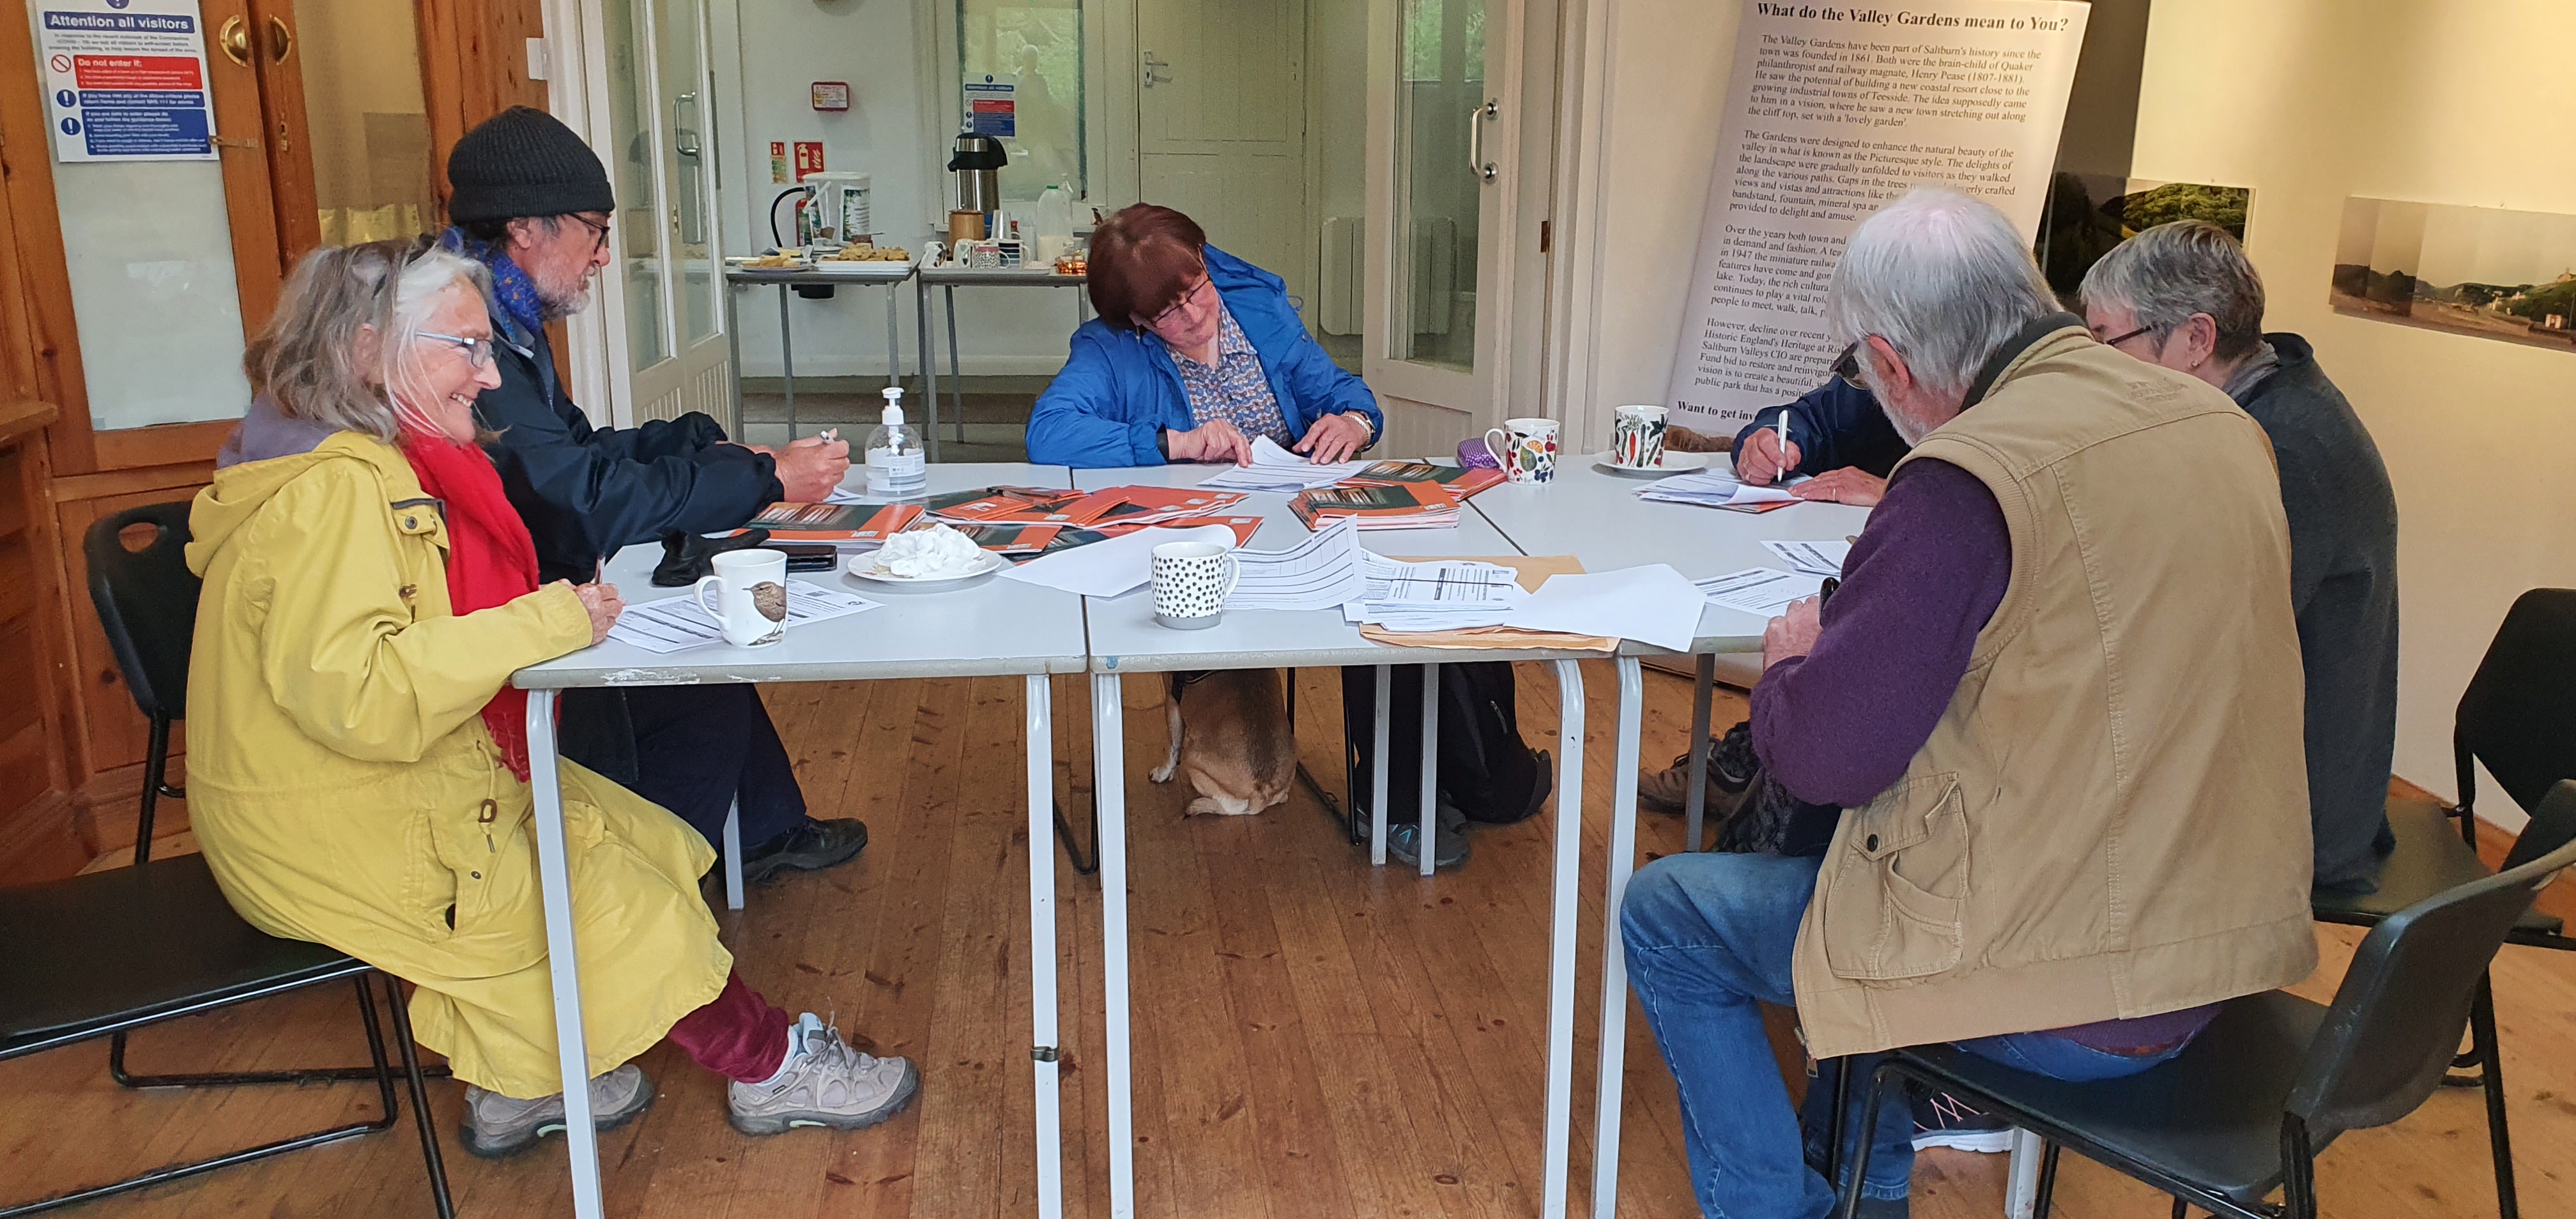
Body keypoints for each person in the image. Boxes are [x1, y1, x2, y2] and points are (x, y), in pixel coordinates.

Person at [1618, 188, 2317, 1219]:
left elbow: (1822, 755)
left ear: (1891, 367)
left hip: (2062, 986)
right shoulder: (2223, 426)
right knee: (1868, 870)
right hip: (2220, 951)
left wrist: (1789, 664)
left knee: (1668, 912)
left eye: (1860, 370)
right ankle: (1868, 1188)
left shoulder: (1960, 479)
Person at [188, 240, 919, 1158]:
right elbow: (363, 696)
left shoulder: (343, 461)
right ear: (370, 349)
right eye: (467, 348)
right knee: (605, 890)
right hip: (326, 826)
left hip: (353, 795)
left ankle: (521, 1083)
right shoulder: (332, 494)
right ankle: (773, 1069)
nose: (490, 375)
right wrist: (549, 622)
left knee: (638, 837)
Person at [436, 105, 866, 885]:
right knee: (697, 684)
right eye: (596, 231)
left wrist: (705, 446)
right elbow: (581, 498)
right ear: (528, 227)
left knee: (707, 670)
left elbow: (574, 448)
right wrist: (763, 480)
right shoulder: (474, 340)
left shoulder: (503, 318)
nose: (604, 256)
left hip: (524, 593)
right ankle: (652, 906)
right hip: (497, 624)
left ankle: (765, 832)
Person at [2080, 219, 2400, 894]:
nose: (2096, 365)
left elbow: (2188, 649)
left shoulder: (2284, 450)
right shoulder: (2261, 406)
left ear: (2197, 339)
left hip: (2295, 812)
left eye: (2108, 342)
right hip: (2260, 763)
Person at [1025, 203, 1383, 468]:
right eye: (1167, 312)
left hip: (1285, 507)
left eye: (1196, 289)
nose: (1194, 316)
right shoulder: (1110, 348)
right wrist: (1179, 444)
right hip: (1180, 527)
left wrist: (1356, 424)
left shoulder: (1260, 312)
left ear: (1202, 259)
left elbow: (1336, 389)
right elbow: (1048, 434)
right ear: (1136, 317)